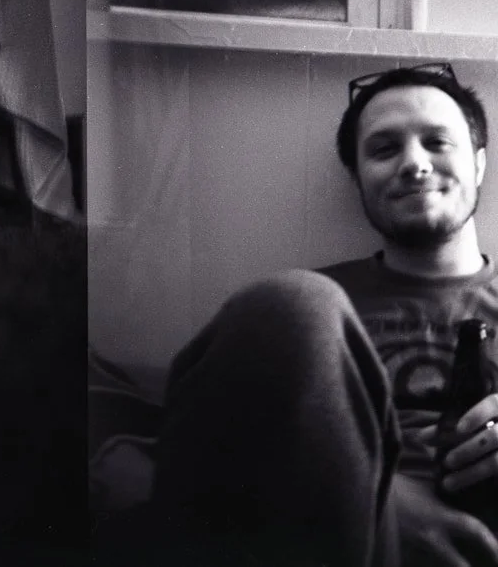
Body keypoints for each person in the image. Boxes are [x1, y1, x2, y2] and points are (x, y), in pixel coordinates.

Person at [151, 63, 498, 567]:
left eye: (437, 142)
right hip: (338, 539)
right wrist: (379, 497)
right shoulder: (308, 311)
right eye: (384, 149)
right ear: (358, 178)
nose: (414, 163)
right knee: (290, 303)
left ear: (480, 165)